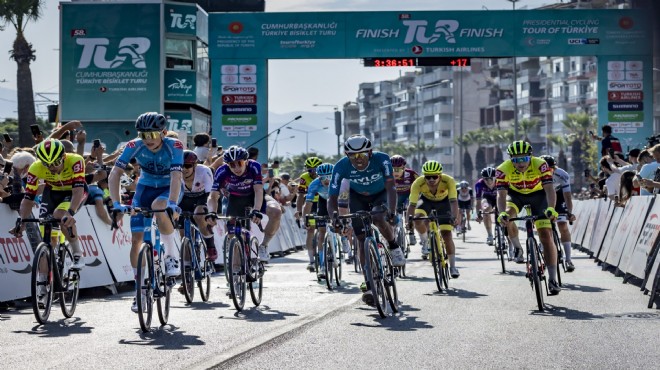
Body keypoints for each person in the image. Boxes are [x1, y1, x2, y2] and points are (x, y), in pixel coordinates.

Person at [108, 112, 185, 313]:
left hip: (168, 188)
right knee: (136, 241)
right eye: (144, 135)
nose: (148, 140)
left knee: (160, 208)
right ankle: (139, 290)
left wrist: (173, 203)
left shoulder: (174, 146)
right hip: (145, 187)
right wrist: (116, 202)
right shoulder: (134, 145)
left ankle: (171, 255)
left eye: (152, 135)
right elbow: (115, 173)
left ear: (164, 132)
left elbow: (177, 175)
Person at [327, 135, 405, 306]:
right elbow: (332, 197)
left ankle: (393, 245)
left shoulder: (382, 159)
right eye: (353, 156)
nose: (358, 159)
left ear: (370, 152)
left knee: (378, 217)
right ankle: (370, 285)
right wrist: (334, 218)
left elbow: (391, 186)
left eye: (362, 155)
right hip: (358, 197)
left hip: (381, 194)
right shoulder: (341, 166)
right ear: (347, 155)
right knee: (362, 240)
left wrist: (391, 210)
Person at [10, 139, 88, 305]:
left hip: (73, 192)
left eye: (56, 162)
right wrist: (21, 221)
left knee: (61, 215)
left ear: (64, 156)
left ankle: (77, 254)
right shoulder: (35, 167)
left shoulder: (75, 161)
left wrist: (71, 212)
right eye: (47, 164)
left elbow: (78, 190)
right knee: (46, 242)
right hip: (52, 192)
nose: (52, 167)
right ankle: (42, 287)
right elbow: (28, 198)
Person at [496, 140, 561, 295]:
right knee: (508, 215)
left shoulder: (540, 164)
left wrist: (551, 208)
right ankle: (517, 247)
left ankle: (552, 279)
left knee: (546, 235)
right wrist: (501, 213)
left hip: (539, 196)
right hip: (516, 195)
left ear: (530, 157)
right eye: (516, 159)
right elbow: (501, 195)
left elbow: (550, 190)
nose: (520, 163)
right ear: (511, 159)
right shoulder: (502, 169)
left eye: (524, 159)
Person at [208, 146, 281, 262]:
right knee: (231, 231)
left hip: (254, 196)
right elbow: (213, 196)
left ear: (246, 161)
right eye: (232, 165)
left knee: (276, 211)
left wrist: (256, 210)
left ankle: (264, 245)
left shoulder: (254, 166)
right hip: (235, 198)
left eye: (240, 163)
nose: (236, 167)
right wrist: (212, 212)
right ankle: (236, 263)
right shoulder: (222, 171)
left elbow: (258, 190)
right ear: (227, 165)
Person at [406, 160, 461, 275]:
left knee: (447, 235)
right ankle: (425, 240)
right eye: (428, 177)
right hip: (426, 202)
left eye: (434, 177)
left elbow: (454, 201)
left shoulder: (449, 180)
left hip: (444, 203)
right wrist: (409, 220)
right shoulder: (418, 183)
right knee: (417, 219)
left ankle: (453, 267)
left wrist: (454, 217)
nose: (431, 180)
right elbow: (412, 205)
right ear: (424, 176)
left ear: (440, 176)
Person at [540, 154, 577, 272]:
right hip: (542, 198)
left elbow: (567, 196)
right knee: (545, 228)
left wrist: (569, 212)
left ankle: (568, 259)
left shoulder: (562, 174)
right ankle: (543, 254)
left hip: (559, 196)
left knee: (563, 225)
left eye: (551, 168)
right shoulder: (535, 175)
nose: (549, 171)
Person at [179, 150, 217, 260]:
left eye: (187, 166)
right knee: (183, 233)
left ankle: (210, 246)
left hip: (203, 196)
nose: (183, 169)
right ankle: (187, 264)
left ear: (195, 165)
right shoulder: (175, 172)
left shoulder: (204, 171)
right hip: (184, 197)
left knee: (198, 215)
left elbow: (210, 194)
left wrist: (210, 212)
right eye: (181, 166)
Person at [302, 163, 335, 277]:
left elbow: (347, 200)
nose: (326, 180)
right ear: (318, 177)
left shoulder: (339, 181)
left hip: (337, 200)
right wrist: (305, 218)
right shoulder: (314, 184)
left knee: (341, 223)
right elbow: (308, 204)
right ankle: (322, 266)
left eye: (329, 177)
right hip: (323, 202)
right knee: (321, 233)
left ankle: (344, 240)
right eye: (323, 178)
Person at [295, 156, 323, 271]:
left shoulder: (325, 175)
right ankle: (311, 260)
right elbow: (300, 196)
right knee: (310, 230)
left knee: (323, 229)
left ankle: (327, 250)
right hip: (310, 204)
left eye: (315, 169)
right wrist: (299, 211)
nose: (313, 172)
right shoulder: (304, 178)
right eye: (310, 170)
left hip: (323, 202)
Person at [475, 167, 498, 246]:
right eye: (486, 179)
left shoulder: (500, 181)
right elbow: (478, 201)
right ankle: (490, 235)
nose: (489, 181)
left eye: (491, 178)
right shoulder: (479, 184)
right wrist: (479, 214)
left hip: (499, 198)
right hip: (487, 198)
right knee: (485, 209)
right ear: (483, 179)